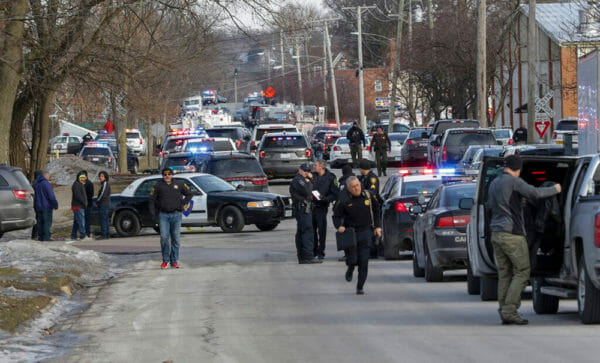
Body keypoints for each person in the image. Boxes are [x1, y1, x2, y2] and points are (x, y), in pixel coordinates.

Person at [487, 155, 561, 325]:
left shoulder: (494, 183)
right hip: (512, 234)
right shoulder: (514, 182)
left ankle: (504, 309)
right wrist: (555, 189)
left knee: (505, 273)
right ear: (518, 168)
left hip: (496, 233)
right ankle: (510, 310)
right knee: (522, 271)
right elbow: (535, 192)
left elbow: (493, 206)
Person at [333, 176, 382, 295]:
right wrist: (339, 226)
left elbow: (376, 210)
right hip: (351, 233)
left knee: (364, 261)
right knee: (353, 259)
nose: (356, 188)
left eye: (357, 185)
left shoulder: (368, 196)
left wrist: (377, 227)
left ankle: (360, 287)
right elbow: (336, 216)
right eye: (353, 187)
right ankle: (350, 268)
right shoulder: (344, 200)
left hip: (366, 232)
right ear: (348, 189)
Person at [150, 167, 193, 269]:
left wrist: (182, 203)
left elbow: (189, 194)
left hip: (176, 215)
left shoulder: (180, 184)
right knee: (164, 238)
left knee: (176, 239)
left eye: (169, 174)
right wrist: (153, 213)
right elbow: (151, 199)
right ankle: (165, 260)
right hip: (163, 215)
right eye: (165, 174)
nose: (167, 176)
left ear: (172, 175)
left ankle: (174, 261)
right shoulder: (158, 186)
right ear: (162, 176)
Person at [289, 163, 321, 264]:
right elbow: (307, 192)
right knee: (307, 231)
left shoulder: (304, 180)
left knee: (302, 232)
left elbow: (314, 188)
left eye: (308, 171)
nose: (306, 173)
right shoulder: (298, 180)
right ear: (299, 170)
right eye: (305, 171)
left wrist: (310, 181)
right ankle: (308, 256)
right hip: (302, 209)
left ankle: (303, 256)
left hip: (305, 208)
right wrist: (309, 182)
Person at [311, 160, 339, 259]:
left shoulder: (331, 177)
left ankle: (321, 251)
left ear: (321, 167)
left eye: (315, 165)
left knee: (321, 230)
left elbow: (335, 193)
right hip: (311, 206)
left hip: (321, 207)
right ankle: (313, 251)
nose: (313, 167)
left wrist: (325, 199)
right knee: (312, 230)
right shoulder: (312, 176)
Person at [33, 170, 58, 241]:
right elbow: (51, 196)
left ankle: (41, 237)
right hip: (46, 207)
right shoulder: (46, 184)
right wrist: (55, 204)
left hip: (38, 206)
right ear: (46, 176)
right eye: (49, 176)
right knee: (47, 222)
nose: (49, 177)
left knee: (40, 222)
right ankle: (46, 237)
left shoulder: (36, 184)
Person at [71, 172, 89, 241]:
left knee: (76, 221)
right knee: (81, 221)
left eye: (83, 178)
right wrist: (84, 203)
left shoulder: (80, 184)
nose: (82, 179)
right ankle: (83, 235)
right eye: (81, 178)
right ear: (78, 178)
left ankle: (73, 235)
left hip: (79, 206)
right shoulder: (76, 185)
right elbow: (78, 196)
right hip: (78, 206)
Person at [96, 171, 111, 240]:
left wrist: (98, 200)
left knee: (103, 219)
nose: (100, 177)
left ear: (105, 177)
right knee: (105, 219)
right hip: (105, 204)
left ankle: (104, 234)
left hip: (104, 204)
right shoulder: (104, 184)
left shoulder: (105, 184)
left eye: (102, 176)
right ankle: (107, 234)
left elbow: (102, 194)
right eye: (100, 176)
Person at [81, 170, 94, 238]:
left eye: (83, 176)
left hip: (88, 205)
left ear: (86, 176)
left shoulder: (89, 184)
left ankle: (87, 233)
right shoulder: (82, 183)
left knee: (87, 220)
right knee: (83, 220)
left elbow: (90, 195)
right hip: (83, 205)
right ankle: (84, 233)